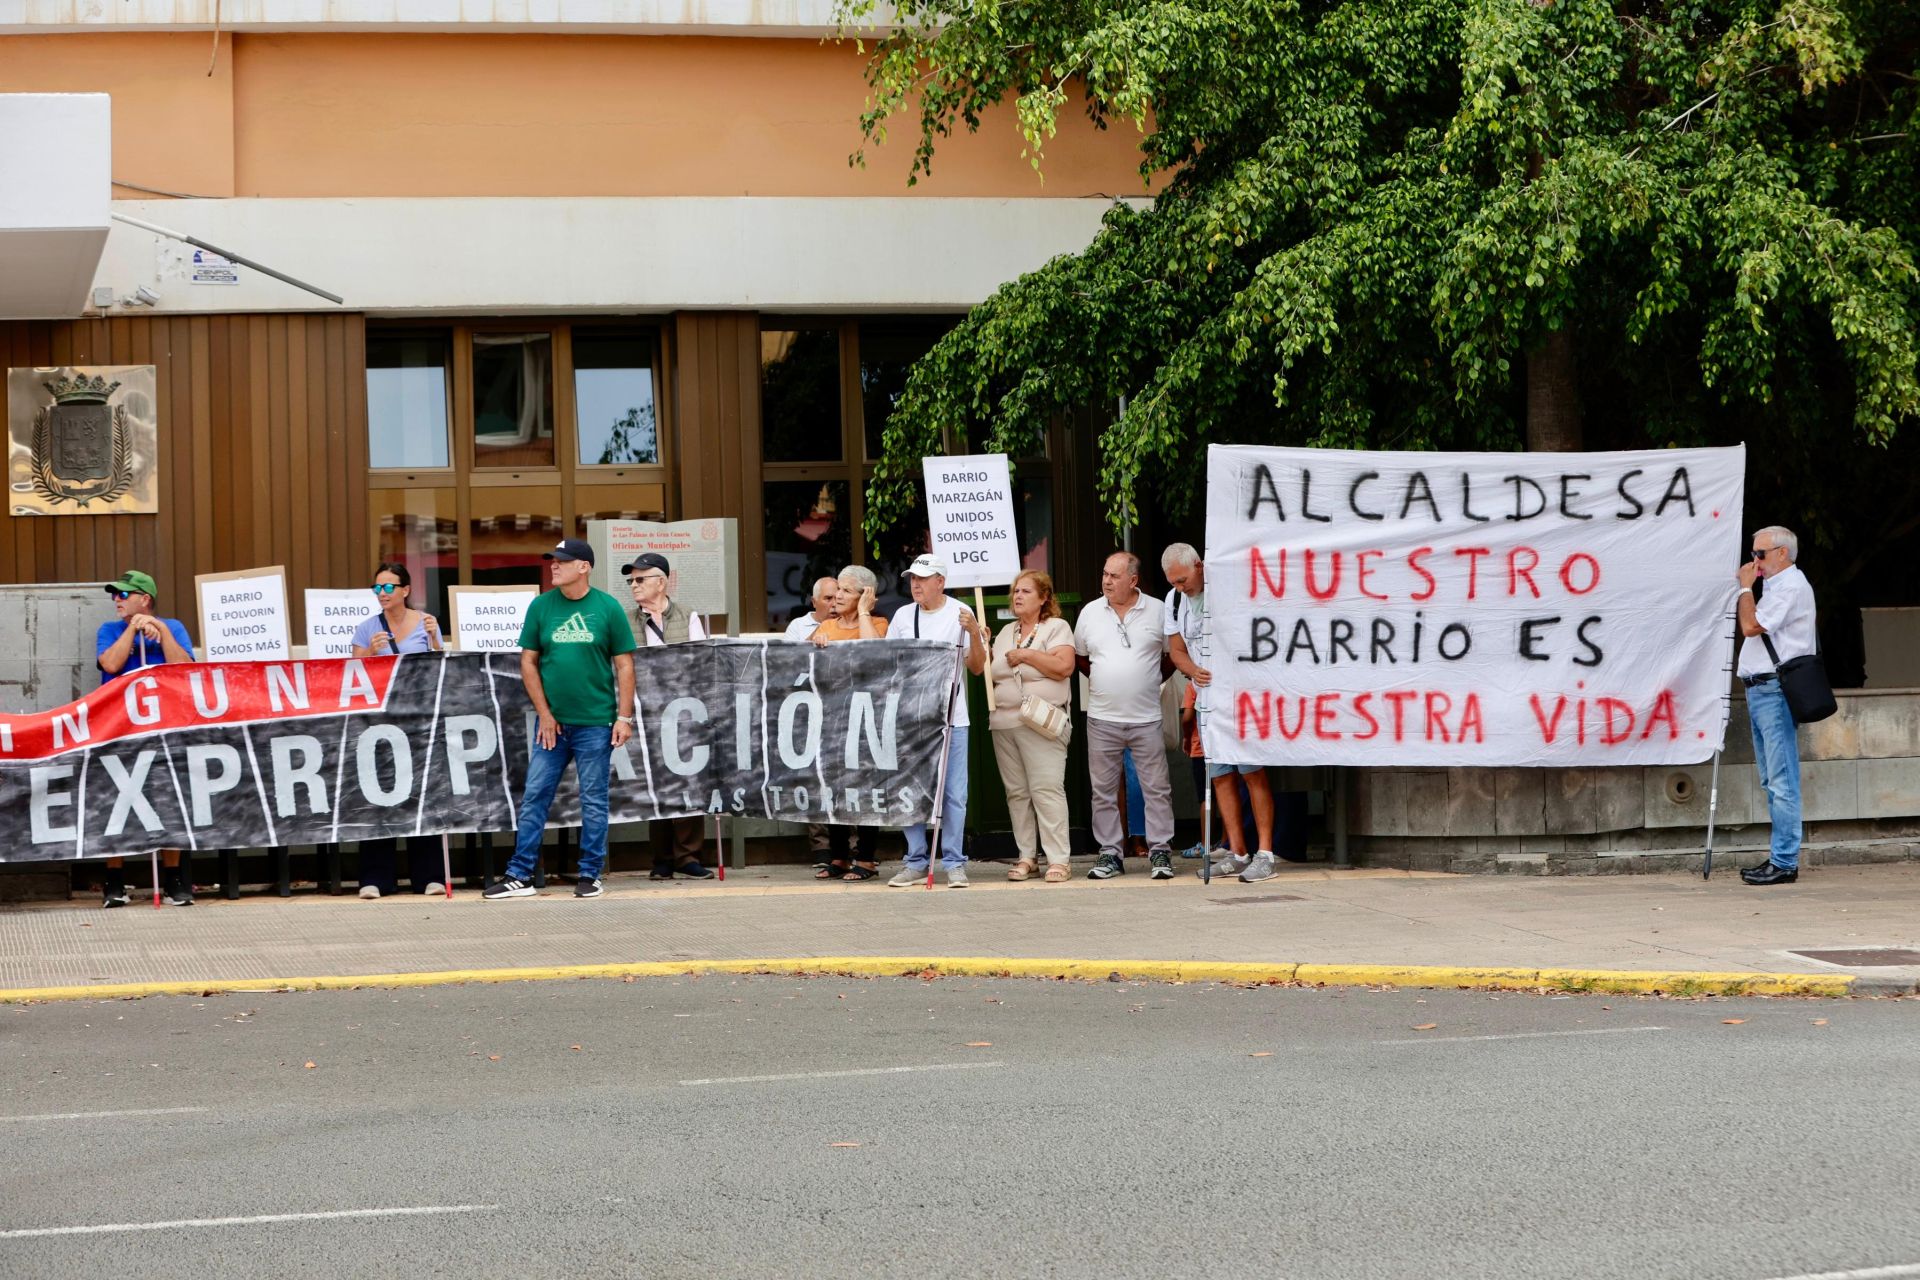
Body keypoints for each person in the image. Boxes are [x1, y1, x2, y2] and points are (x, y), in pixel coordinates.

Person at [483, 538, 636, 901]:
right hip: (552, 725)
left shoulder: (608, 607)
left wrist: (624, 716)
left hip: (596, 722)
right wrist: (545, 715)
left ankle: (590, 874)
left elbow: (625, 664)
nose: (554, 566)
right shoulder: (540, 606)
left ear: (584, 567)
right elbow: (527, 662)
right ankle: (519, 875)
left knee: (593, 799)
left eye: (562, 561)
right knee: (535, 794)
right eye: (552, 560)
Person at [1163, 544, 1282, 882]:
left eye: (1183, 579)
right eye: (1173, 582)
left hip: (1239, 696)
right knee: (1220, 775)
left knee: (1251, 771)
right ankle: (1238, 852)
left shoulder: (1225, 589)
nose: (1180, 587)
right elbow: (1175, 649)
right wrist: (1191, 669)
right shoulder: (1174, 602)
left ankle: (1266, 853)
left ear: (1200, 566)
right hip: (1206, 699)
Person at [885, 554, 989, 888]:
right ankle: (915, 859)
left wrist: (974, 633)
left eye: (922, 578)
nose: (915, 584)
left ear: (939, 582)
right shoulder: (903, 615)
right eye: (912, 578)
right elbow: (888, 663)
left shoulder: (961, 613)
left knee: (954, 794)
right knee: (910, 790)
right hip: (912, 719)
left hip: (951, 718)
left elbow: (975, 667)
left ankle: (954, 862)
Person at [93, 570, 196, 907]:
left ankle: (174, 880)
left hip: (165, 726)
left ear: (145, 599)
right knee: (117, 801)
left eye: (124, 595)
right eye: (115, 595)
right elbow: (110, 663)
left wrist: (161, 629)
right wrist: (133, 629)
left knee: (169, 797)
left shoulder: (173, 627)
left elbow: (183, 667)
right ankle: (115, 882)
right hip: (120, 728)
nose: (116, 600)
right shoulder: (110, 630)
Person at [1075, 551, 1175, 880]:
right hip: (1103, 718)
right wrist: (1109, 683)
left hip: (1146, 717)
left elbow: (1173, 654)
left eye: (1114, 576)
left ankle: (1160, 851)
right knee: (1102, 790)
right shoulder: (1090, 612)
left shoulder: (1159, 610)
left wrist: (1146, 682)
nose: (1106, 580)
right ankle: (1110, 855)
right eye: (1104, 574)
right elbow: (1081, 658)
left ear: (1133, 581)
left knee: (1156, 787)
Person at [350, 562, 447, 898]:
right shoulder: (366, 629)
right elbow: (353, 677)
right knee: (378, 797)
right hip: (380, 724)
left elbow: (443, 667)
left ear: (405, 590)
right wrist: (371, 652)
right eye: (377, 587)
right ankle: (375, 878)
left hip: (419, 722)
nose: (382, 594)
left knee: (423, 795)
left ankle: (429, 876)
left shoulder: (425, 622)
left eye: (389, 587)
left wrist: (436, 638)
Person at [1736, 525, 1818, 887]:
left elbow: (1751, 626)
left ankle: (1785, 861)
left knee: (1782, 779)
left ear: (1782, 553)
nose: (1755, 561)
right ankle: (1779, 856)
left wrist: (1744, 588)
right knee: (1771, 778)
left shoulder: (1791, 587)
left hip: (1774, 691)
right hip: (1760, 689)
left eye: (1761, 554)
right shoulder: (1777, 587)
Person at [625, 551, 715, 881]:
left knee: (690, 780)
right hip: (647, 712)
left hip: (685, 709)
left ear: (661, 582)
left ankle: (688, 856)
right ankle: (661, 858)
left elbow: (701, 660)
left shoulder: (687, 615)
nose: (633, 585)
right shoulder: (626, 619)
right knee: (657, 782)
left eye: (640, 579)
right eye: (631, 580)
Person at [987, 570, 1076, 882]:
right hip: (1004, 723)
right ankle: (1027, 856)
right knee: (1017, 793)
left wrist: (1026, 654)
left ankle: (1058, 859)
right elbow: (990, 673)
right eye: (1015, 592)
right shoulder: (1004, 632)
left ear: (1044, 598)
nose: (1018, 596)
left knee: (1046, 789)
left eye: (1025, 591)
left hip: (1040, 722)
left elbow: (1064, 666)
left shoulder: (1056, 628)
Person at [809, 565, 888, 879]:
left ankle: (866, 858)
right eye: (837, 590)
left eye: (846, 590)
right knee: (834, 786)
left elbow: (873, 654)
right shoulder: (826, 627)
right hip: (832, 718)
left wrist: (866, 614)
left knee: (868, 786)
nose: (838, 596)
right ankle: (839, 855)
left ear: (866, 596)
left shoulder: (880, 623)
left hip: (868, 717)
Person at [784, 575, 842, 873]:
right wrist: (816, 637)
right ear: (815, 601)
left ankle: (851, 848)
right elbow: (788, 664)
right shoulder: (798, 626)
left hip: (842, 711)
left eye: (838, 598)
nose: (834, 604)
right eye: (829, 599)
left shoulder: (849, 622)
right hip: (811, 711)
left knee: (846, 778)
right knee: (814, 780)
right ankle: (822, 848)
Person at [784, 575, 840, 642]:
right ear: (814, 602)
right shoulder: (797, 625)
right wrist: (812, 638)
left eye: (838, 598)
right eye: (828, 598)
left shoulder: (848, 624)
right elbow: (788, 652)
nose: (834, 604)